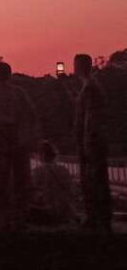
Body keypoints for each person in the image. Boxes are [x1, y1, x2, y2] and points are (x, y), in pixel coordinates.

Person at [0, 61, 38, 230]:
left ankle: (2, 216)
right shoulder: (19, 92)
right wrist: (27, 135)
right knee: (20, 177)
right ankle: (20, 216)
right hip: (17, 136)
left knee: (0, 178)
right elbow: (31, 114)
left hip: (0, 136)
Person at [74, 54, 112, 231]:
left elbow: (91, 118)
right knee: (97, 180)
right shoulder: (91, 86)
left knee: (93, 181)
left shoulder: (89, 88)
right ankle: (100, 218)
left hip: (92, 142)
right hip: (95, 140)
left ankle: (96, 218)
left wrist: (86, 140)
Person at [29, 140, 75, 225]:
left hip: (47, 209)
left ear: (40, 156)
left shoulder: (37, 171)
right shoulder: (63, 170)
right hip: (63, 209)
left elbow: (34, 190)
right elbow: (69, 189)